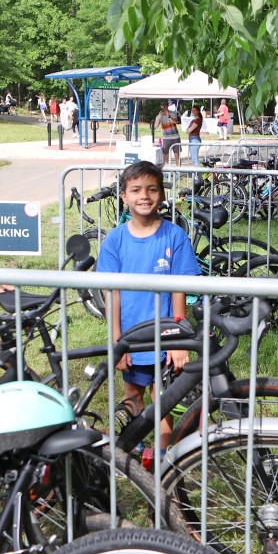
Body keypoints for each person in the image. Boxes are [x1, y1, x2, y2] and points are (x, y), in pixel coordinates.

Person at [96, 161, 199, 452]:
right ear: (123, 196)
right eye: (136, 190)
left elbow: (180, 289)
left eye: (152, 189)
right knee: (133, 395)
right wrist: (116, 340)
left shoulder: (174, 236)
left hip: (165, 336)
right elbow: (111, 293)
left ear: (162, 194)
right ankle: (132, 453)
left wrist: (179, 341)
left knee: (162, 401)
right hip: (131, 338)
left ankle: (165, 465)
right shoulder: (114, 240)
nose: (145, 196)